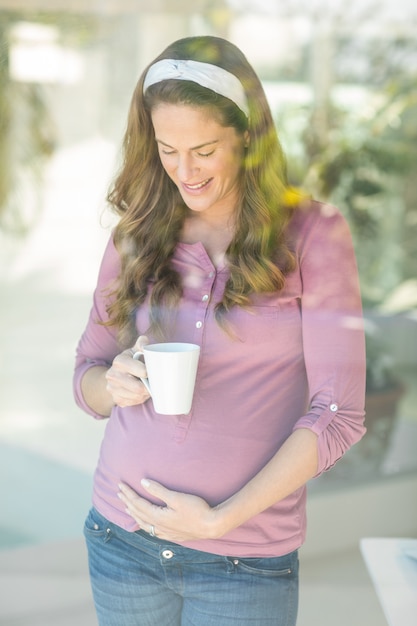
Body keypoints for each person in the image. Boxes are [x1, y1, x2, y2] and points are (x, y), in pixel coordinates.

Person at [73, 35, 366, 626]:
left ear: (247, 138)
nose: (185, 171)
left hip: (244, 561)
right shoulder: (137, 234)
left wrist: (221, 518)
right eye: (167, 149)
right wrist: (116, 382)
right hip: (120, 538)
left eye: (204, 150)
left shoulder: (313, 234)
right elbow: (87, 376)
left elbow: (339, 415)